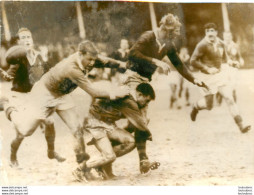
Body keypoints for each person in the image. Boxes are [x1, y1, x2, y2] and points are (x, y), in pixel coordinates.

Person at [3, 40, 129, 168]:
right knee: (25, 131)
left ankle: (82, 166)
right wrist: (117, 93)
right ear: (80, 54)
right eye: (89, 59)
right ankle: (8, 107)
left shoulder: (91, 57)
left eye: (93, 59)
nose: (92, 63)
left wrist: (121, 64)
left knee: (77, 129)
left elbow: (106, 61)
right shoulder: (72, 68)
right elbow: (93, 91)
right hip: (44, 93)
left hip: (62, 94)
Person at [124, 13, 206, 172]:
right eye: (170, 31)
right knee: (140, 120)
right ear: (163, 27)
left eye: (173, 32)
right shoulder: (148, 36)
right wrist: (155, 61)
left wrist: (194, 79)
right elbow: (132, 54)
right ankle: (135, 155)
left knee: (140, 121)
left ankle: (142, 160)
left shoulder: (168, 45)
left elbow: (180, 65)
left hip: (144, 81)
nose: (171, 35)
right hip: (131, 77)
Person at [3, 28, 65, 166]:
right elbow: (9, 75)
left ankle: (51, 152)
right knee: (22, 133)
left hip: (35, 96)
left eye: (28, 37)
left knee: (50, 121)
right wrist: (5, 74)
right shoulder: (18, 57)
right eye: (23, 38)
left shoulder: (38, 56)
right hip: (20, 96)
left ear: (32, 39)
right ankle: (13, 157)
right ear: (19, 42)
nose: (27, 40)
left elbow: (47, 74)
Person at [73, 83, 156, 181]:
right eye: (146, 101)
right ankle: (80, 169)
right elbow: (141, 126)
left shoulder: (128, 94)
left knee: (130, 142)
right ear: (140, 94)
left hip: (106, 123)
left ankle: (101, 164)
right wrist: (148, 134)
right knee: (110, 156)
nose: (146, 104)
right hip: (95, 123)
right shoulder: (130, 102)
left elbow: (132, 126)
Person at [190, 23, 251, 133]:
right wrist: (207, 69)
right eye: (207, 31)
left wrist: (232, 62)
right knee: (209, 106)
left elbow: (225, 58)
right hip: (206, 77)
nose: (210, 33)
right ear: (205, 33)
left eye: (212, 30)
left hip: (219, 75)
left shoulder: (221, 43)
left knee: (229, 98)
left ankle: (241, 125)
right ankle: (196, 106)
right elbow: (192, 61)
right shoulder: (202, 45)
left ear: (216, 33)